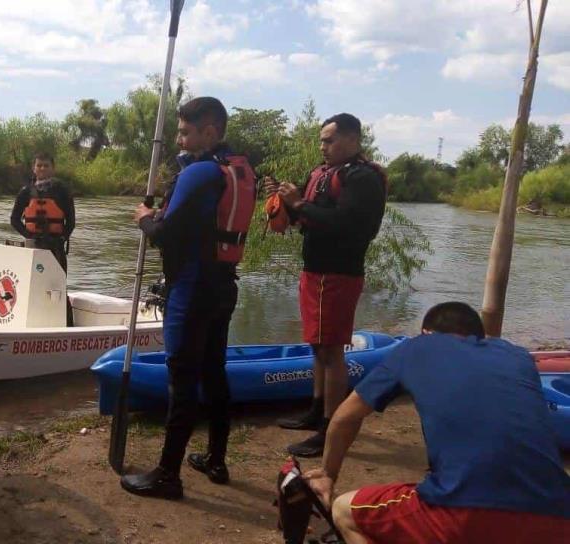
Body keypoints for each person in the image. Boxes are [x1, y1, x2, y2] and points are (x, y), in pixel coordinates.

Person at [302, 302, 570, 543]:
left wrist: (327, 475)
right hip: (558, 517)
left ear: (425, 332)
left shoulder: (416, 347)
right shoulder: (519, 356)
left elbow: (345, 417)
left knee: (344, 510)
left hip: (462, 513)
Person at [121, 97, 254, 499]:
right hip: (223, 286)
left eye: (184, 132)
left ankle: (167, 475)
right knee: (214, 372)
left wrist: (144, 216)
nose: (178, 139)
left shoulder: (199, 174)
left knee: (181, 379)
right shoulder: (239, 169)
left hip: (191, 289)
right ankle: (215, 458)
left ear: (209, 132)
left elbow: (166, 234)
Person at [264, 113, 387, 457]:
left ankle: (330, 426)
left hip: (339, 273)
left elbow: (348, 224)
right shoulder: (323, 173)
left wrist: (300, 203)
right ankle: (317, 409)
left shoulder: (363, 179)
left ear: (353, 140)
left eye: (329, 140)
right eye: (322, 140)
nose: (323, 146)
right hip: (315, 270)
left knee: (332, 350)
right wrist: (285, 203)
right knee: (318, 346)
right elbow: (310, 217)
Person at [9, 152, 75, 272]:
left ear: (53, 168)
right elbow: (14, 219)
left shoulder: (62, 191)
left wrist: (62, 239)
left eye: (46, 165)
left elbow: (71, 221)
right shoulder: (25, 192)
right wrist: (28, 235)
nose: (42, 168)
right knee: (32, 281)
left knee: (56, 284)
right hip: (33, 245)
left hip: (56, 246)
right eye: (39, 165)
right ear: (34, 168)